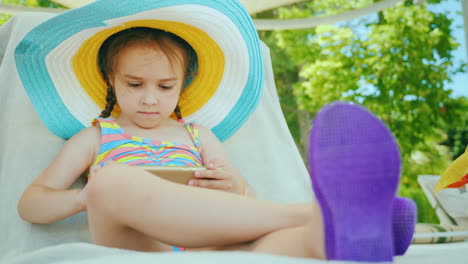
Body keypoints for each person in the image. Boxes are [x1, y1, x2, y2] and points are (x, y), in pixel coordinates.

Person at [14, 0, 415, 261]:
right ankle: (321, 213)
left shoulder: (198, 136)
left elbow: (246, 198)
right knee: (113, 183)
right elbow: (32, 203)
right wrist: (83, 197)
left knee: (274, 249)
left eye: (165, 87)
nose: (150, 99)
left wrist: (234, 186)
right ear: (110, 79)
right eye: (135, 85)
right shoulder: (97, 137)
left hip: (215, 242)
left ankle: (331, 236)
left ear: (183, 84)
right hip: (141, 246)